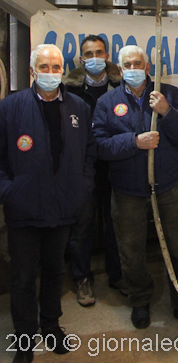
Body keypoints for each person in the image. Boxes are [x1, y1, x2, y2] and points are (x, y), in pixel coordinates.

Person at [93, 45, 178, 332]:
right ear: (119, 69)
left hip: (166, 186)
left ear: (148, 67)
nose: (133, 69)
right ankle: (140, 299)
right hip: (127, 190)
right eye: (127, 64)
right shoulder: (108, 102)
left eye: (137, 63)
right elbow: (99, 145)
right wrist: (133, 142)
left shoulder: (169, 94)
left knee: (177, 248)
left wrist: (167, 112)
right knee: (131, 251)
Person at [0, 44, 95, 363]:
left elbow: (89, 152)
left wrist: (82, 186)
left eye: (56, 68)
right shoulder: (10, 108)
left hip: (63, 208)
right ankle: (25, 339)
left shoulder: (79, 107)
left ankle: (51, 326)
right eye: (44, 67)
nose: (51, 73)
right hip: (23, 210)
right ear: (32, 71)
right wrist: (10, 192)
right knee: (23, 277)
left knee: (55, 272)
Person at [65, 34, 123, 307]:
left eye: (99, 52)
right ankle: (82, 278)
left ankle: (117, 275)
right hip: (83, 169)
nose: (95, 58)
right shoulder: (69, 90)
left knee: (115, 224)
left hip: (115, 166)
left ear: (107, 55)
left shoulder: (120, 86)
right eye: (89, 54)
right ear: (81, 59)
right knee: (82, 227)